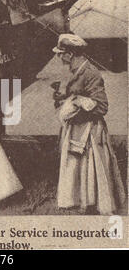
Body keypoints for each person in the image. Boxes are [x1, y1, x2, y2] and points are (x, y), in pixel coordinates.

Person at [52, 33, 126, 215]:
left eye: (61, 53)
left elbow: (101, 106)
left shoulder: (90, 72)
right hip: (78, 128)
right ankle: (83, 204)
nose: (59, 57)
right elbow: (78, 93)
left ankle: (93, 205)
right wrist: (64, 98)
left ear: (70, 54)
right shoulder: (77, 71)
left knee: (91, 167)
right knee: (77, 166)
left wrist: (78, 101)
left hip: (90, 130)